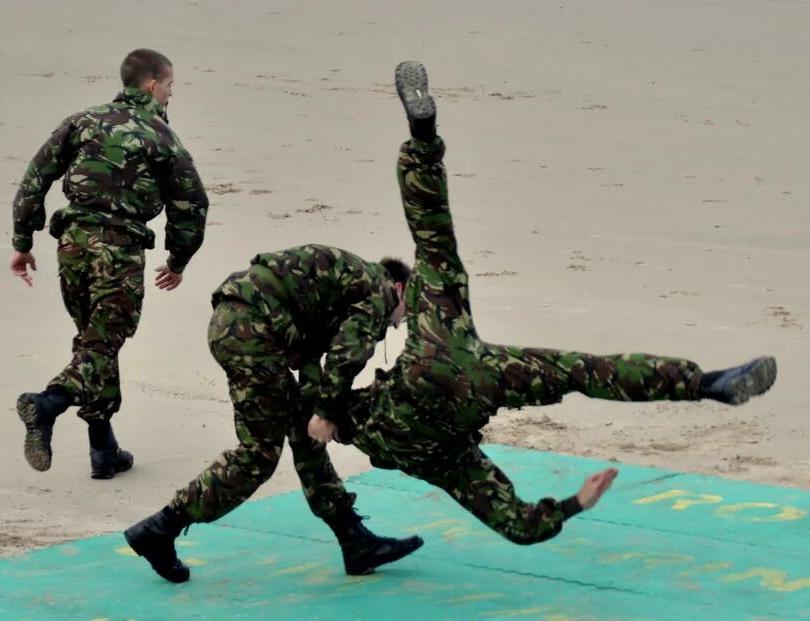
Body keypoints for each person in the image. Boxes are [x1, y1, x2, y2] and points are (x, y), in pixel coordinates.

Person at [305, 60, 778, 547]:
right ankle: (422, 138)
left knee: (582, 373)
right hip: (439, 352)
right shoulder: (359, 415)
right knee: (432, 235)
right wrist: (327, 408)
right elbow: (334, 381)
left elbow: (519, 526)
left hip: (478, 384)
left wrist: (577, 502)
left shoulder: (443, 463)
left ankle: (708, 387)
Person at [123, 245, 423, 583]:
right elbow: (347, 353)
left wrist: (316, 410)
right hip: (251, 332)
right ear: (400, 288)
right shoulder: (379, 290)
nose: (401, 324)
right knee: (259, 455)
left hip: (241, 324)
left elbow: (313, 357)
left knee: (304, 432)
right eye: (407, 312)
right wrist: (326, 411)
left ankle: (354, 539)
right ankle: (160, 529)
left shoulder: (351, 283)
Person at [10, 48, 209, 479]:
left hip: (72, 246)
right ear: (153, 85)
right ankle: (46, 404)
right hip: (117, 250)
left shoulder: (83, 121)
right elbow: (192, 203)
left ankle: (104, 449)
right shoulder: (160, 135)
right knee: (101, 345)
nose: (172, 95)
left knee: (94, 343)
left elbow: (35, 176)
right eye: (171, 86)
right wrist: (178, 259)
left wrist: (23, 240)